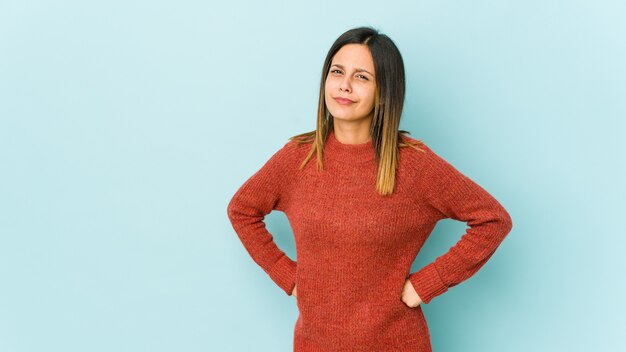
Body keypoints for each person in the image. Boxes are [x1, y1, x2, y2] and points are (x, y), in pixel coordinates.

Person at [226, 26, 513, 352]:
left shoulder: (413, 164)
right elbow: (242, 209)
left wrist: (425, 285)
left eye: (362, 77)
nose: (345, 85)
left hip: (396, 342)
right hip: (314, 344)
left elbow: (493, 219)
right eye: (337, 72)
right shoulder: (298, 158)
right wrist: (286, 275)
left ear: (384, 91)